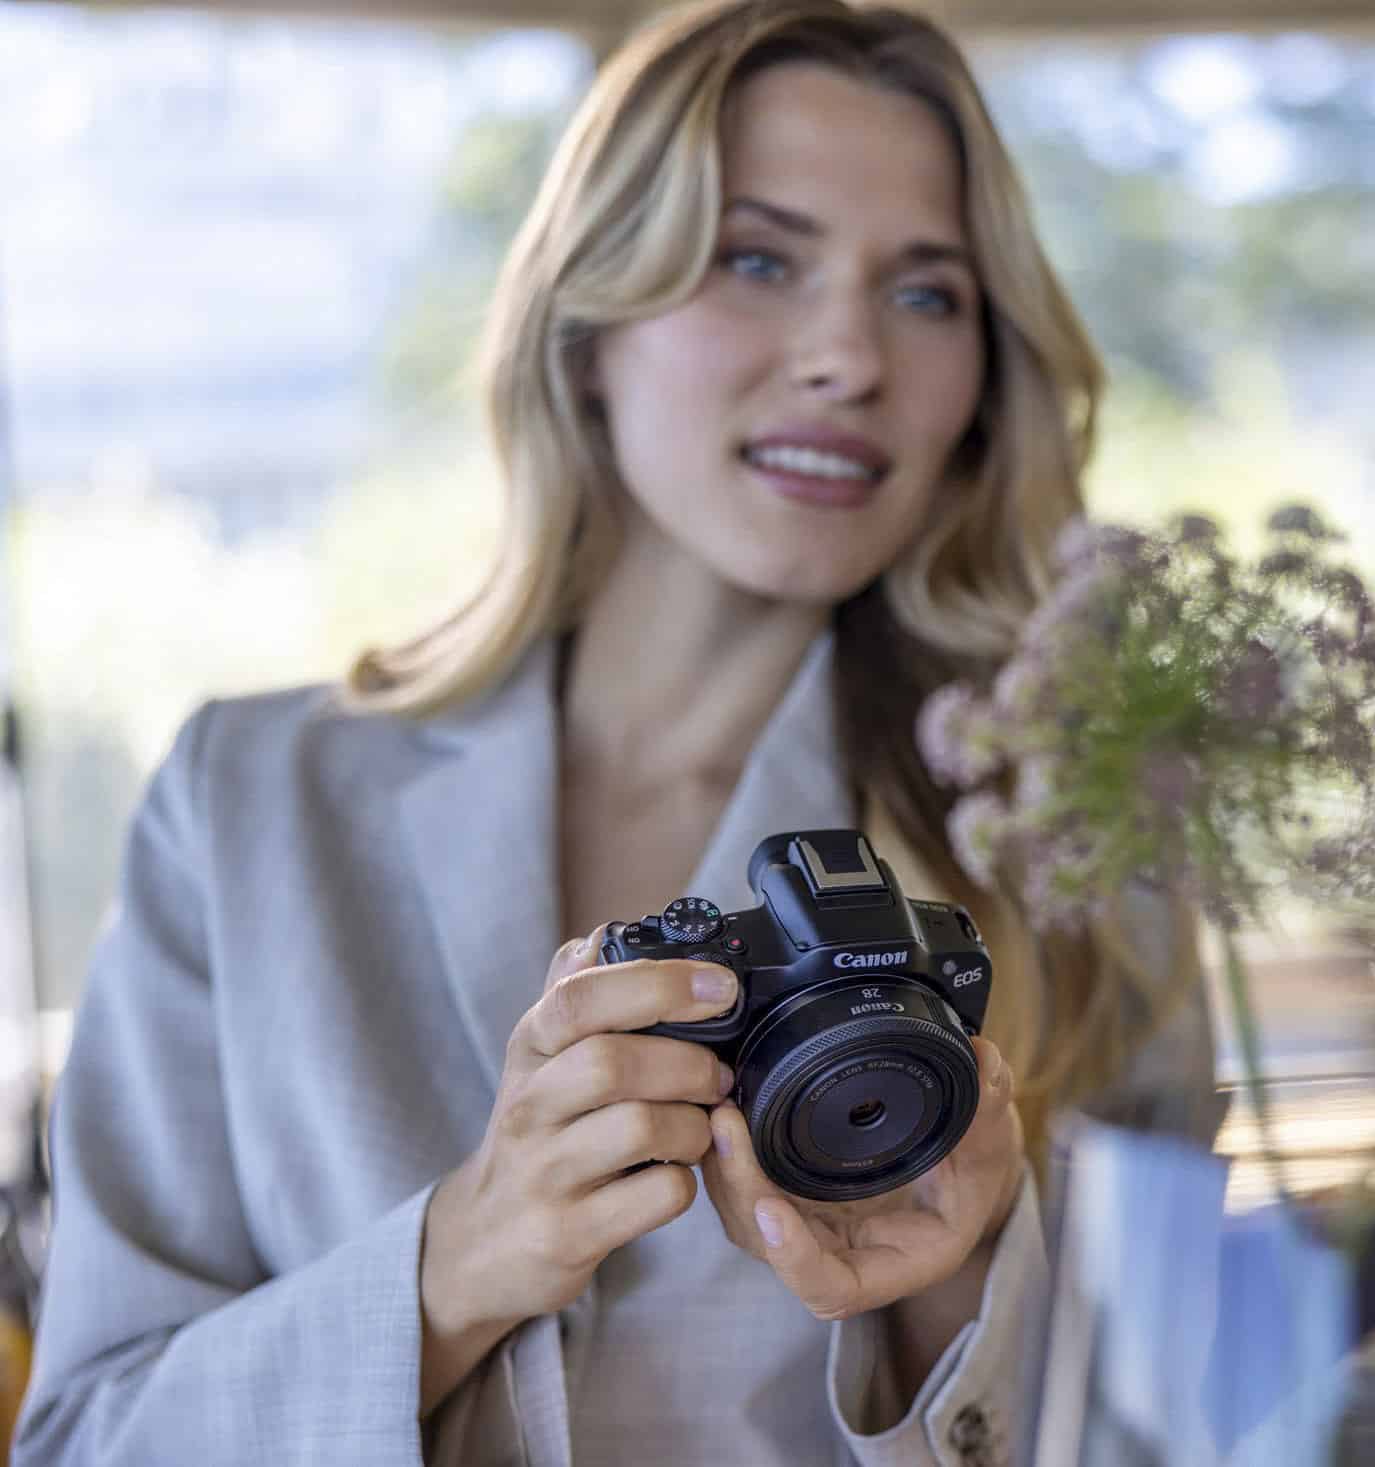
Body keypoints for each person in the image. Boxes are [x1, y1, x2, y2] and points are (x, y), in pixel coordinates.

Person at [14, 2, 1218, 1462]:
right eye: (759, 259)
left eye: (927, 292)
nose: (847, 356)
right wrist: (463, 1258)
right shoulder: (247, 805)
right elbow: (86, 1439)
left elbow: (1194, 1424)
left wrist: (949, 1298)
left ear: (983, 381)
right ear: (588, 329)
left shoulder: (1078, 840)